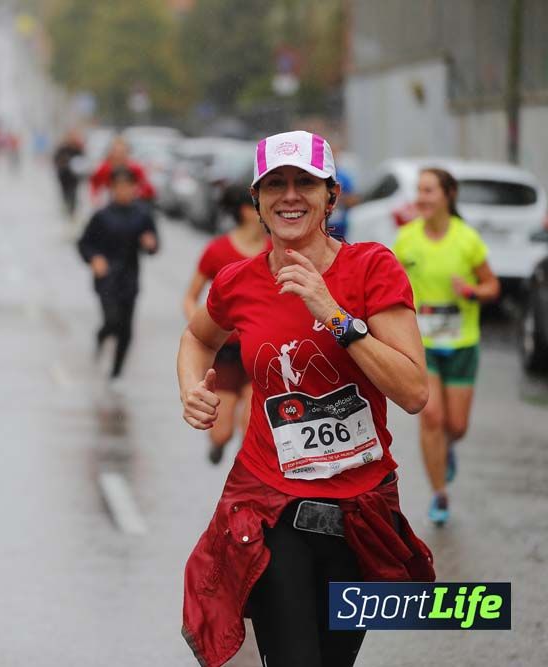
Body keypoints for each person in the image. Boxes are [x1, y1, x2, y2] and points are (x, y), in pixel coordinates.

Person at [177, 131, 435, 667]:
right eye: (275, 184)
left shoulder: (372, 269)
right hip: (270, 511)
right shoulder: (237, 282)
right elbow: (199, 336)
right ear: (257, 201)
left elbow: (412, 391)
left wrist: (334, 314)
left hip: (359, 516)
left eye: (305, 183)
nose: (289, 195)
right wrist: (190, 389)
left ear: (330, 196)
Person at [393, 167, 500, 525]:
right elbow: (389, 287)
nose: (421, 198)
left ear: (448, 195)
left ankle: (448, 448)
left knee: (456, 425)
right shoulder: (406, 239)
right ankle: (439, 493)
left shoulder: (467, 239)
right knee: (431, 416)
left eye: (428, 190)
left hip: (462, 343)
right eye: (418, 190)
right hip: (421, 344)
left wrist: (471, 292)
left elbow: (491, 286)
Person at [182, 185, 271, 464]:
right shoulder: (218, 251)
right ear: (246, 211)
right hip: (227, 354)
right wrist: (204, 328)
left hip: (262, 352)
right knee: (221, 433)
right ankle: (219, 444)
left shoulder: (276, 250)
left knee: (251, 431)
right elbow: (189, 297)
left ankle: (249, 474)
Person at [78, 167, 159, 380]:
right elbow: (84, 243)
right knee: (112, 321)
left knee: (126, 329)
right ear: (111, 189)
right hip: (106, 279)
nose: (123, 191)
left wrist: (150, 245)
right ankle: (101, 335)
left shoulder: (142, 216)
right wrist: (94, 258)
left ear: (135, 188)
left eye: (128, 186)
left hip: (129, 278)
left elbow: (153, 244)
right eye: (118, 187)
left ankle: (116, 372)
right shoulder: (101, 216)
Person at [88, 137, 156, 208]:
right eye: (116, 151)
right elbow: (95, 185)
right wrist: (96, 200)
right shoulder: (104, 168)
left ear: (127, 152)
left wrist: (134, 193)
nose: (118, 155)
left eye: (121, 152)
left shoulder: (135, 168)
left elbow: (147, 188)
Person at [53, 129, 84, 217]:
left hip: (74, 176)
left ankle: (72, 210)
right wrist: (62, 163)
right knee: (65, 193)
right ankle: (67, 208)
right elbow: (56, 159)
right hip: (64, 176)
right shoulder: (62, 149)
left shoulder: (78, 148)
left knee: (74, 193)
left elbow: (83, 160)